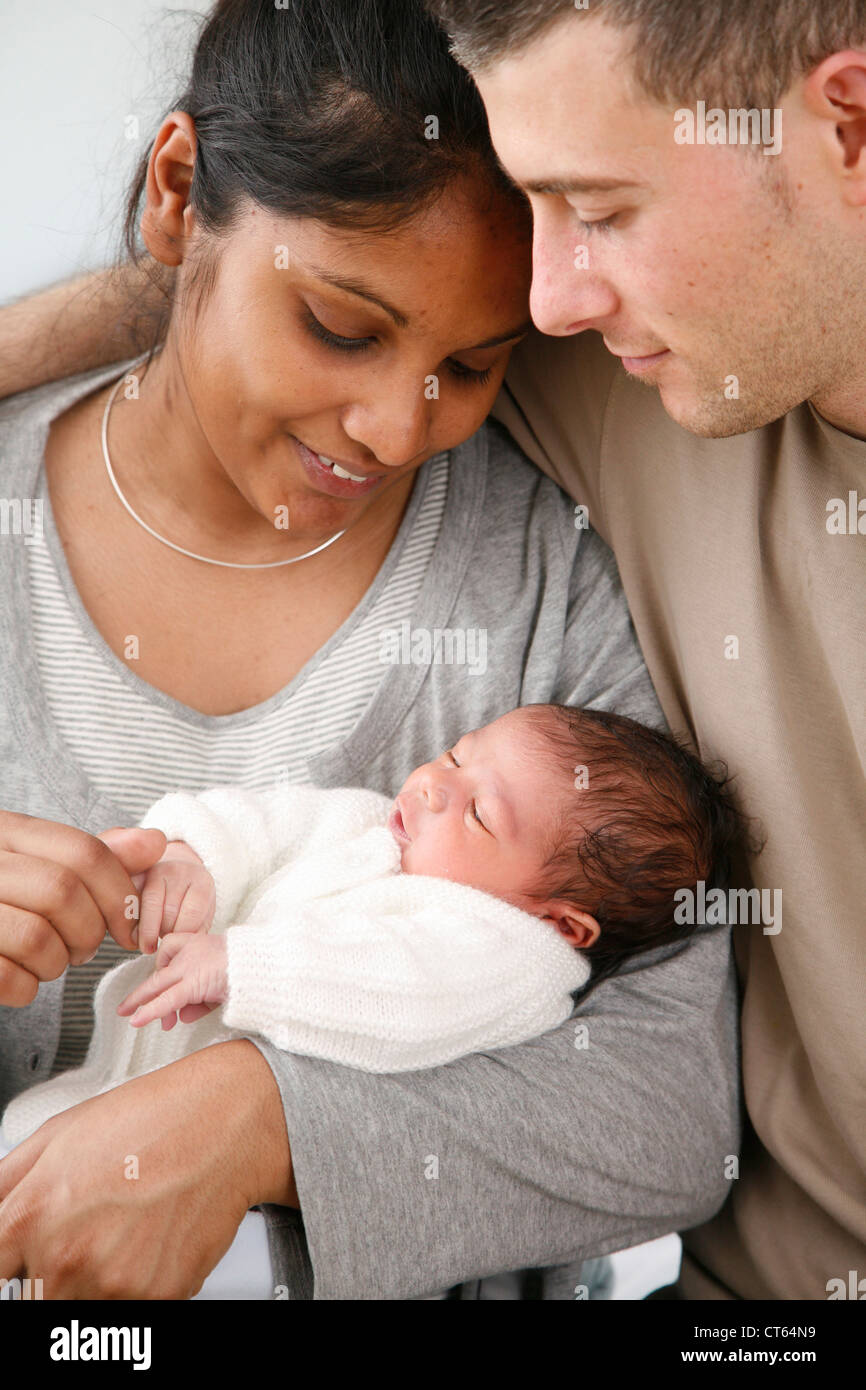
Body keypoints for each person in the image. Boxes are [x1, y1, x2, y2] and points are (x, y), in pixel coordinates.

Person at [0, 0, 738, 1300]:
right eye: (344, 327)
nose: (399, 427)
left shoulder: (530, 573)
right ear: (179, 193)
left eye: (471, 364)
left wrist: (257, 1118)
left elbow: (666, 1104)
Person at [426, 0, 866, 1300]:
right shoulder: (646, 369)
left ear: (846, 123)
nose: (547, 297)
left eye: (601, 209)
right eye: (530, 203)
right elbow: (249, 274)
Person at [2, 701, 747, 1149]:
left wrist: (241, 966)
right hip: (107, 1088)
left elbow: (398, 984)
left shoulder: (515, 960)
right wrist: (196, 858)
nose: (431, 784)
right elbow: (266, 821)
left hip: (246, 1179)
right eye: (456, 754)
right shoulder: (367, 824)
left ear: (562, 921)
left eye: (480, 813)